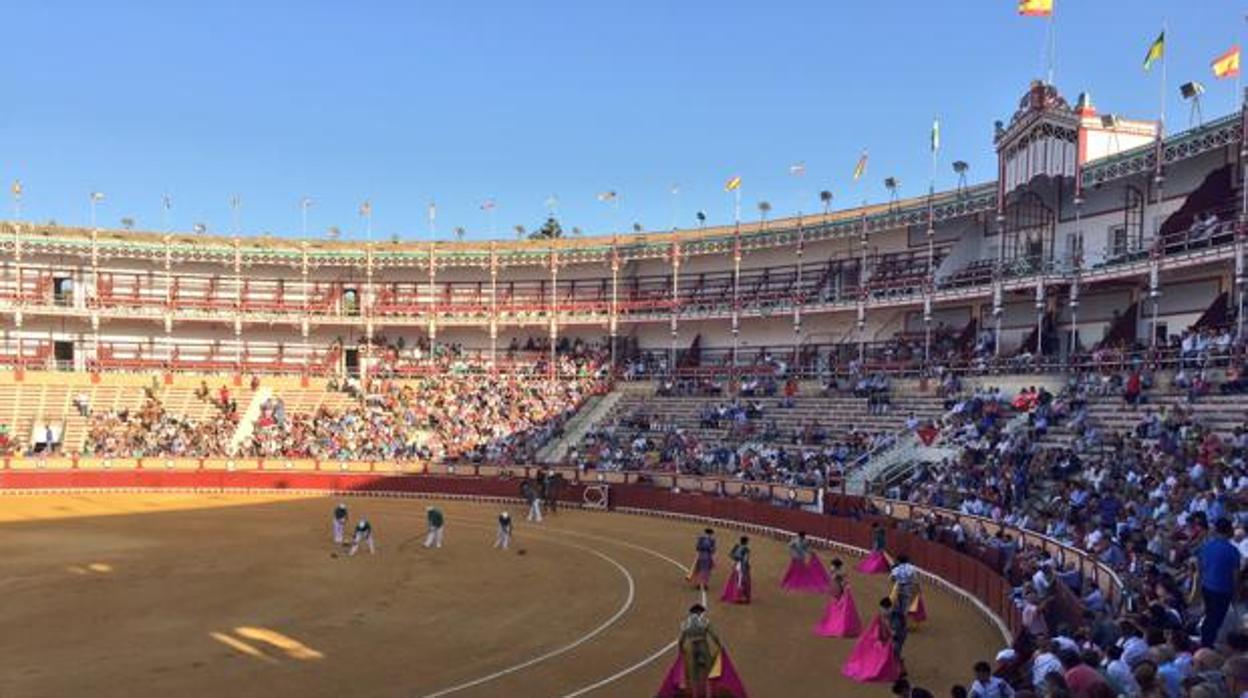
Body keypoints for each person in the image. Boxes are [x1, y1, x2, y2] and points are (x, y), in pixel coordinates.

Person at [656, 604, 748, 698]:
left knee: (693, 676)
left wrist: (681, 649)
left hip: (692, 648)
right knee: (709, 673)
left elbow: (681, 639)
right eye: (701, 612)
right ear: (699, 612)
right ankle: (709, 695)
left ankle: (696, 696)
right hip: (703, 646)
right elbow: (713, 635)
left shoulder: (686, 623)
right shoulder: (704, 621)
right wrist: (719, 645)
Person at [1195, 516, 1241, 647]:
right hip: (1222, 591)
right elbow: (1235, 576)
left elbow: (1200, 569)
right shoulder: (1233, 551)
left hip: (1207, 587)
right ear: (1229, 531)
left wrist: (1199, 589)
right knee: (1214, 621)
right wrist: (1236, 594)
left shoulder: (1207, 546)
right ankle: (1205, 647)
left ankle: (1206, 642)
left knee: (1209, 617)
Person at [842, 597, 904, 683]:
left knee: (895, 648)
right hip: (883, 640)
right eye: (882, 609)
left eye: (885, 609)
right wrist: (877, 639)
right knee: (867, 644)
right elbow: (873, 629)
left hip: (894, 640)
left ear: (890, 609)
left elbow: (896, 634)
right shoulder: (880, 617)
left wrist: (889, 636)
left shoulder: (895, 619)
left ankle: (899, 667)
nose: (883, 611)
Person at [815, 558, 862, 638]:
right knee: (837, 611)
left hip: (840, 594)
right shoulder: (837, 573)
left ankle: (841, 628)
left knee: (841, 611)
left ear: (837, 567)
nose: (831, 568)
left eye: (832, 566)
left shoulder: (840, 574)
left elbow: (844, 584)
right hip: (836, 594)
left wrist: (845, 592)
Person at [721, 535, 751, 604]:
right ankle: (738, 597)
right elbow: (745, 559)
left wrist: (736, 558)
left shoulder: (737, 547)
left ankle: (733, 595)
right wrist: (746, 566)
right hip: (742, 566)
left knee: (736, 579)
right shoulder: (746, 549)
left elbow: (731, 555)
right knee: (741, 581)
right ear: (746, 542)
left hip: (736, 565)